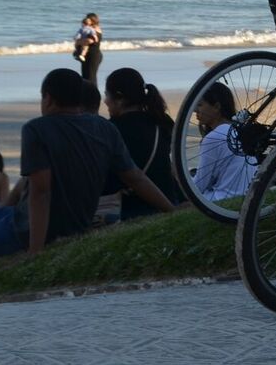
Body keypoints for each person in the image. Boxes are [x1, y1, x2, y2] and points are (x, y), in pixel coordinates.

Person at [0, 69, 174, 276]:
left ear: (48, 99)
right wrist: (170, 209)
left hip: (32, 227)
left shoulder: (38, 129)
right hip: (65, 220)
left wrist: (36, 252)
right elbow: (135, 177)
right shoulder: (105, 128)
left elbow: (41, 191)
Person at [104, 67, 184, 220]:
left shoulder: (112, 130)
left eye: (107, 95)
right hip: (169, 197)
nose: (105, 101)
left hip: (134, 208)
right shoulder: (162, 121)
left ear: (119, 98)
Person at [191, 82, 255, 202]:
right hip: (247, 195)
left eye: (200, 105)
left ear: (216, 107)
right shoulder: (240, 129)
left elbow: (198, 187)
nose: (195, 110)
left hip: (222, 198)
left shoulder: (213, 138)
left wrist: (177, 176)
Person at [72, 13, 103, 86]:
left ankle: (92, 95)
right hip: (89, 55)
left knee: (90, 77)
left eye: (87, 19)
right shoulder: (89, 29)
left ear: (92, 20)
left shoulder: (94, 30)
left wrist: (77, 42)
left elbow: (90, 41)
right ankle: (89, 94)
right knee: (86, 77)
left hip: (92, 56)